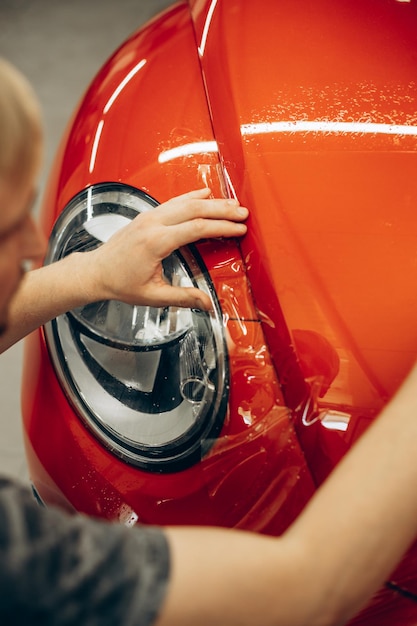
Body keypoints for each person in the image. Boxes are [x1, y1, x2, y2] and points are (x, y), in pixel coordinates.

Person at [1, 56, 417, 626]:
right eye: (3, 229)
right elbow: (305, 591)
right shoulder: (21, 560)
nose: (32, 245)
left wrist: (90, 275)